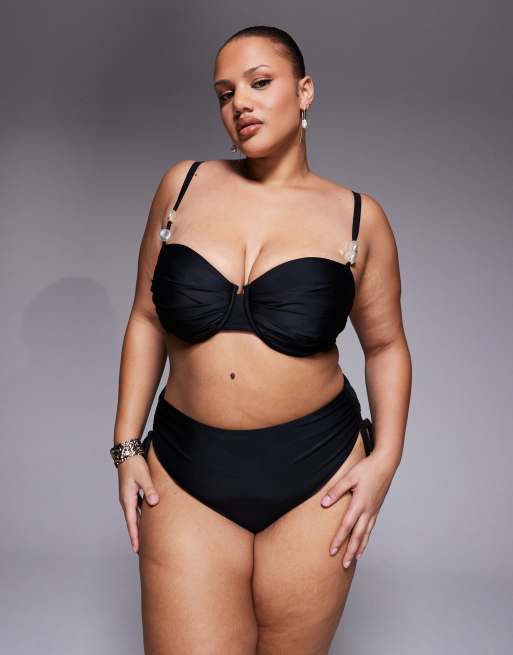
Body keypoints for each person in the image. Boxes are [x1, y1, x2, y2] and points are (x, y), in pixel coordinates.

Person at [111, 25, 411, 655]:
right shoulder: (182, 186)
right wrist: (126, 446)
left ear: (304, 91)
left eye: (260, 83)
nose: (239, 103)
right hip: (185, 469)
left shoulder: (359, 217)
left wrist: (386, 459)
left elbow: (385, 346)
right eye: (225, 94)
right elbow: (145, 318)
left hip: (318, 473)